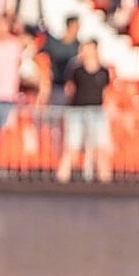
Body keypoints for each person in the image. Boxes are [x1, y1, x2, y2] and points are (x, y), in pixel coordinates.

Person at [56, 40, 113, 183]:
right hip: (77, 111)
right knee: (71, 145)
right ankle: (62, 177)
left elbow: (106, 91)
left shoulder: (103, 71)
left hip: (97, 111)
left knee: (100, 147)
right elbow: (69, 89)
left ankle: (105, 179)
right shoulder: (76, 69)